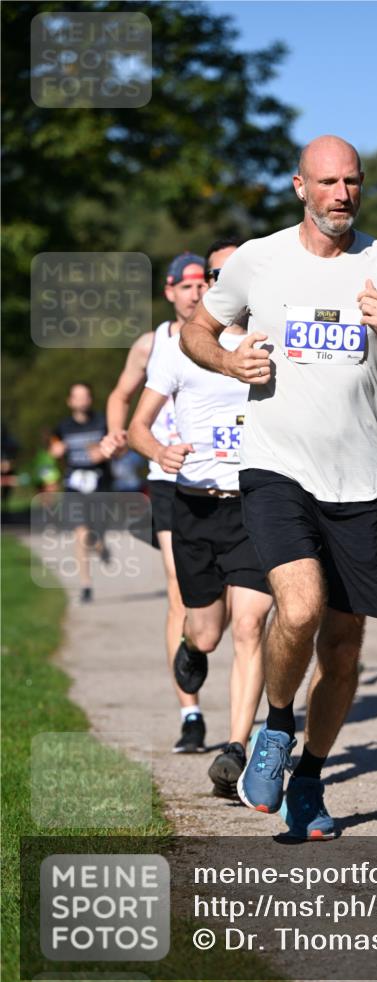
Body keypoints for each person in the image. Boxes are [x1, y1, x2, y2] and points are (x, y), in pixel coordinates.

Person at [180, 134, 377, 840]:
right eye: (328, 182)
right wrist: (227, 360)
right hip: (276, 466)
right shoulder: (258, 259)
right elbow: (197, 331)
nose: (342, 195)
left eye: (353, 182)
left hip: (359, 481)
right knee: (297, 608)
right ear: (299, 186)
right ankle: (273, 731)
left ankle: (308, 778)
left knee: (341, 650)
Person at [127, 302, 273, 798]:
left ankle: (235, 749)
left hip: (255, 506)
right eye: (219, 275)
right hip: (195, 507)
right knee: (208, 635)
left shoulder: (268, 343)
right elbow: (137, 427)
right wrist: (158, 452)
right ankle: (191, 646)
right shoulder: (177, 349)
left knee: (251, 626)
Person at [100, 253, 209, 752]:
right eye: (185, 286)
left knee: (231, 605)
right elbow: (121, 393)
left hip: (223, 477)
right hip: (166, 477)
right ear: (169, 292)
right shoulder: (152, 343)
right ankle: (190, 712)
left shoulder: (226, 335)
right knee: (177, 588)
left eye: (202, 283)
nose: (195, 292)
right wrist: (116, 433)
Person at [50, 383, 111, 603]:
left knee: (94, 535)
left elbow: (117, 446)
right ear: (70, 401)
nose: (81, 401)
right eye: (77, 397)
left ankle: (101, 547)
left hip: (100, 483)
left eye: (85, 396)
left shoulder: (102, 422)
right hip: (74, 485)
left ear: (90, 399)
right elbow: (53, 446)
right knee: (81, 533)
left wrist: (103, 453)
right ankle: (86, 585)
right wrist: (56, 451)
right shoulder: (63, 426)